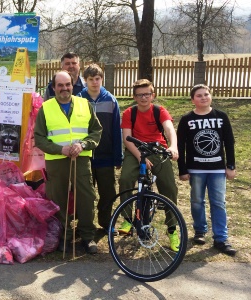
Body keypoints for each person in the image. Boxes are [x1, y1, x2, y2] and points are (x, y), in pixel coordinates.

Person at [34, 70, 102, 254]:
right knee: (58, 200)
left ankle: (87, 237)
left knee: (86, 197)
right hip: (56, 161)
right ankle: (64, 237)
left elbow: (96, 131)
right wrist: (60, 149)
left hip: (81, 159)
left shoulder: (84, 104)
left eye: (68, 85)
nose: (64, 88)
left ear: (73, 85)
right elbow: (39, 138)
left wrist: (83, 144)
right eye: (60, 85)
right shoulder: (46, 108)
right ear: (54, 87)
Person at [118, 79, 181, 251]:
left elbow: (169, 129)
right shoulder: (129, 113)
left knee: (169, 188)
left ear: (153, 95)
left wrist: (173, 146)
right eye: (140, 95)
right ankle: (128, 219)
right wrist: (140, 157)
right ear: (134, 97)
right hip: (135, 150)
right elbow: (126, 138)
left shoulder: (159, 111)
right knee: (125, 179)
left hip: (157, 149)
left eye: (147, 94)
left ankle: (172, 229)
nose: (144, 98)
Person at [177, 84, 237, 256]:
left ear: (211, 96)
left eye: (206, 94)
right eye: (199, 95)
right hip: (196, 168)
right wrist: (182, 169)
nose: (203, 97)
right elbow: (181, 146)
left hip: (217, 168)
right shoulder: (187, 119)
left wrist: (231, 166)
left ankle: (221, 238)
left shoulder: (221, 117)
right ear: (192, 99)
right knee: (197, 201)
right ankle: (200, 231)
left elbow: (229, 142)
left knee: (218, 202)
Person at [78, 64, 123, 234]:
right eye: (91, 79)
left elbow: (116, 130)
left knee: (107, 192)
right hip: (85, 155)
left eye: (97, 79)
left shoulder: (110, 100)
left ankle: (106, 223)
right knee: (86, 194)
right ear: (85, 80)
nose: (95, 83)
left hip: (106, 156)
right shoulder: (79, 99)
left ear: (102, 79)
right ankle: (86, 226)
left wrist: (118, 157)